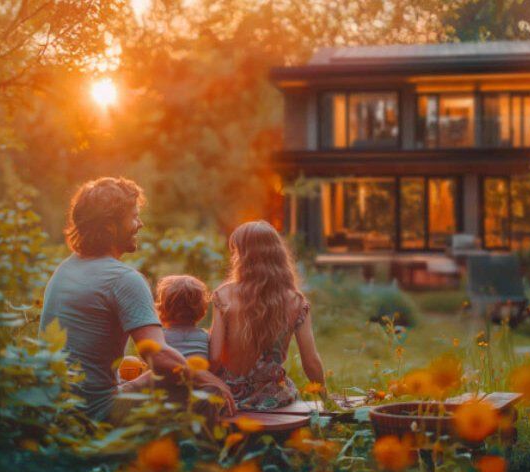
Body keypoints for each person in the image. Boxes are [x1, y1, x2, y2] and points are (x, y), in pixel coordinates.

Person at [39, 177, 235, 421]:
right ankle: (198, 455)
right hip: (95, 413)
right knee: (209, 390)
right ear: (110, 226)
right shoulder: (124, 279)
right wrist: (211, 379)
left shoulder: (65, 269)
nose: (140, 224)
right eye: (133, 217)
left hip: (54, 407)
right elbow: (160, 357)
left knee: (132, 364)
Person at [209, 220, 327, 411]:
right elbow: (310, 361)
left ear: (242, 256)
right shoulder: (296, 301)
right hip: (273, 399)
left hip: (230, 398)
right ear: (278, 255)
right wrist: (325, 398)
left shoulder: (223, 296)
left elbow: (214, 358)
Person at [155, 275, 211, 360]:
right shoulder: (207, 338)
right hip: (199, 373)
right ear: (201, 308)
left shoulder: (159, 337)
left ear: (162, 307)